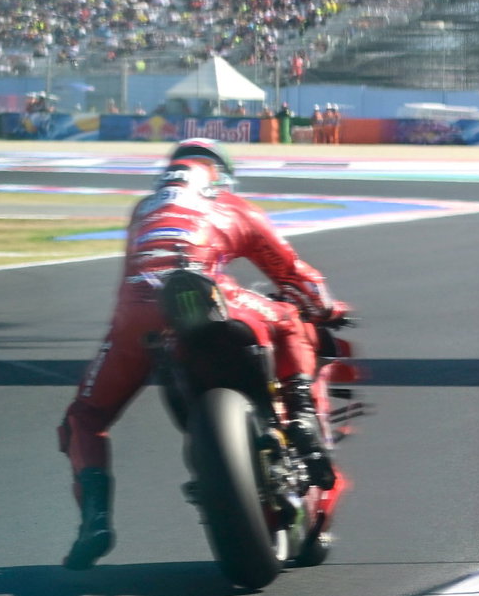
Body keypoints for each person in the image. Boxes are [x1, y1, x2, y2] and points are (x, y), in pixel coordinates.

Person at [57, 139, 346, 570]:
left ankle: (94, 519)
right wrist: (327, 308)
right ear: (220, 175)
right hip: (207, 298)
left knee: (85, 417)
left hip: (136, 318)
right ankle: (302, 416)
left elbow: (134, 278)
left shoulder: (142, 210)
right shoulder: (227, 202)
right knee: (289, 317)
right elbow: (291, 270)